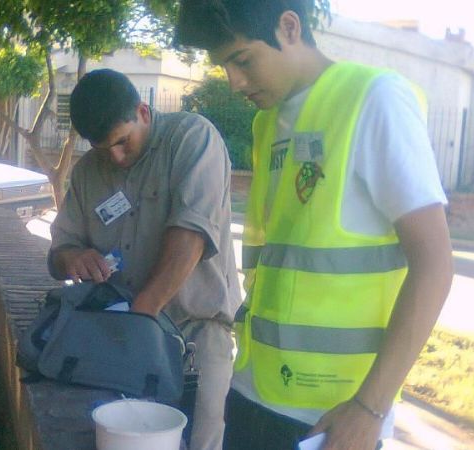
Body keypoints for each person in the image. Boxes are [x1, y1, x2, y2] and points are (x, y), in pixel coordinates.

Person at [175, 2, 455, 449]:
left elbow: (435, 265)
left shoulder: (374, 99)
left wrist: (370, 407)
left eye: (242, 60)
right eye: (223, 65)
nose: (234, 82)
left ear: (289, 27)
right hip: (253, 392)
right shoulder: (269, 122)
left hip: (330, 419)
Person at [48, 68, 242, 450]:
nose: (116, 158)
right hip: (120, 338)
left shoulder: (192, 138)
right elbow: (57, 254)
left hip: (196, 338)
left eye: (123, 142)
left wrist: (143, 313)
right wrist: (73, 257)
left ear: (144, 113)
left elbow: (191, 234)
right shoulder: (88, 172)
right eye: (104, 149)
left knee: (201, 442)